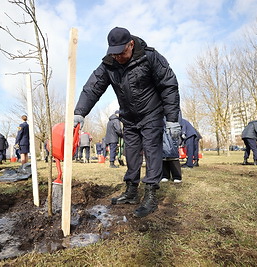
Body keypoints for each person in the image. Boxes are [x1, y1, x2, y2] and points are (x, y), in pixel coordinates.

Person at [73, 27, 181, 218]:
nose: (118, 57)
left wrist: (172, 119)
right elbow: (92, 88)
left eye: (121, 53)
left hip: (152, 114)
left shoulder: (150, 57)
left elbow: (168, 85)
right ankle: (131, 191)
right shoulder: (108, 65)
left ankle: (150, 194)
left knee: (151, 150)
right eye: (114, 53)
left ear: (131, 44)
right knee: (130, 153)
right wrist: (80, 113)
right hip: (129, 117)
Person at [161, 118, 182, 183]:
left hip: (172, 126)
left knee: (173, 152)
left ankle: (176, 176)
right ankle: (165, 175)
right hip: (162, 126)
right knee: (163, 152)